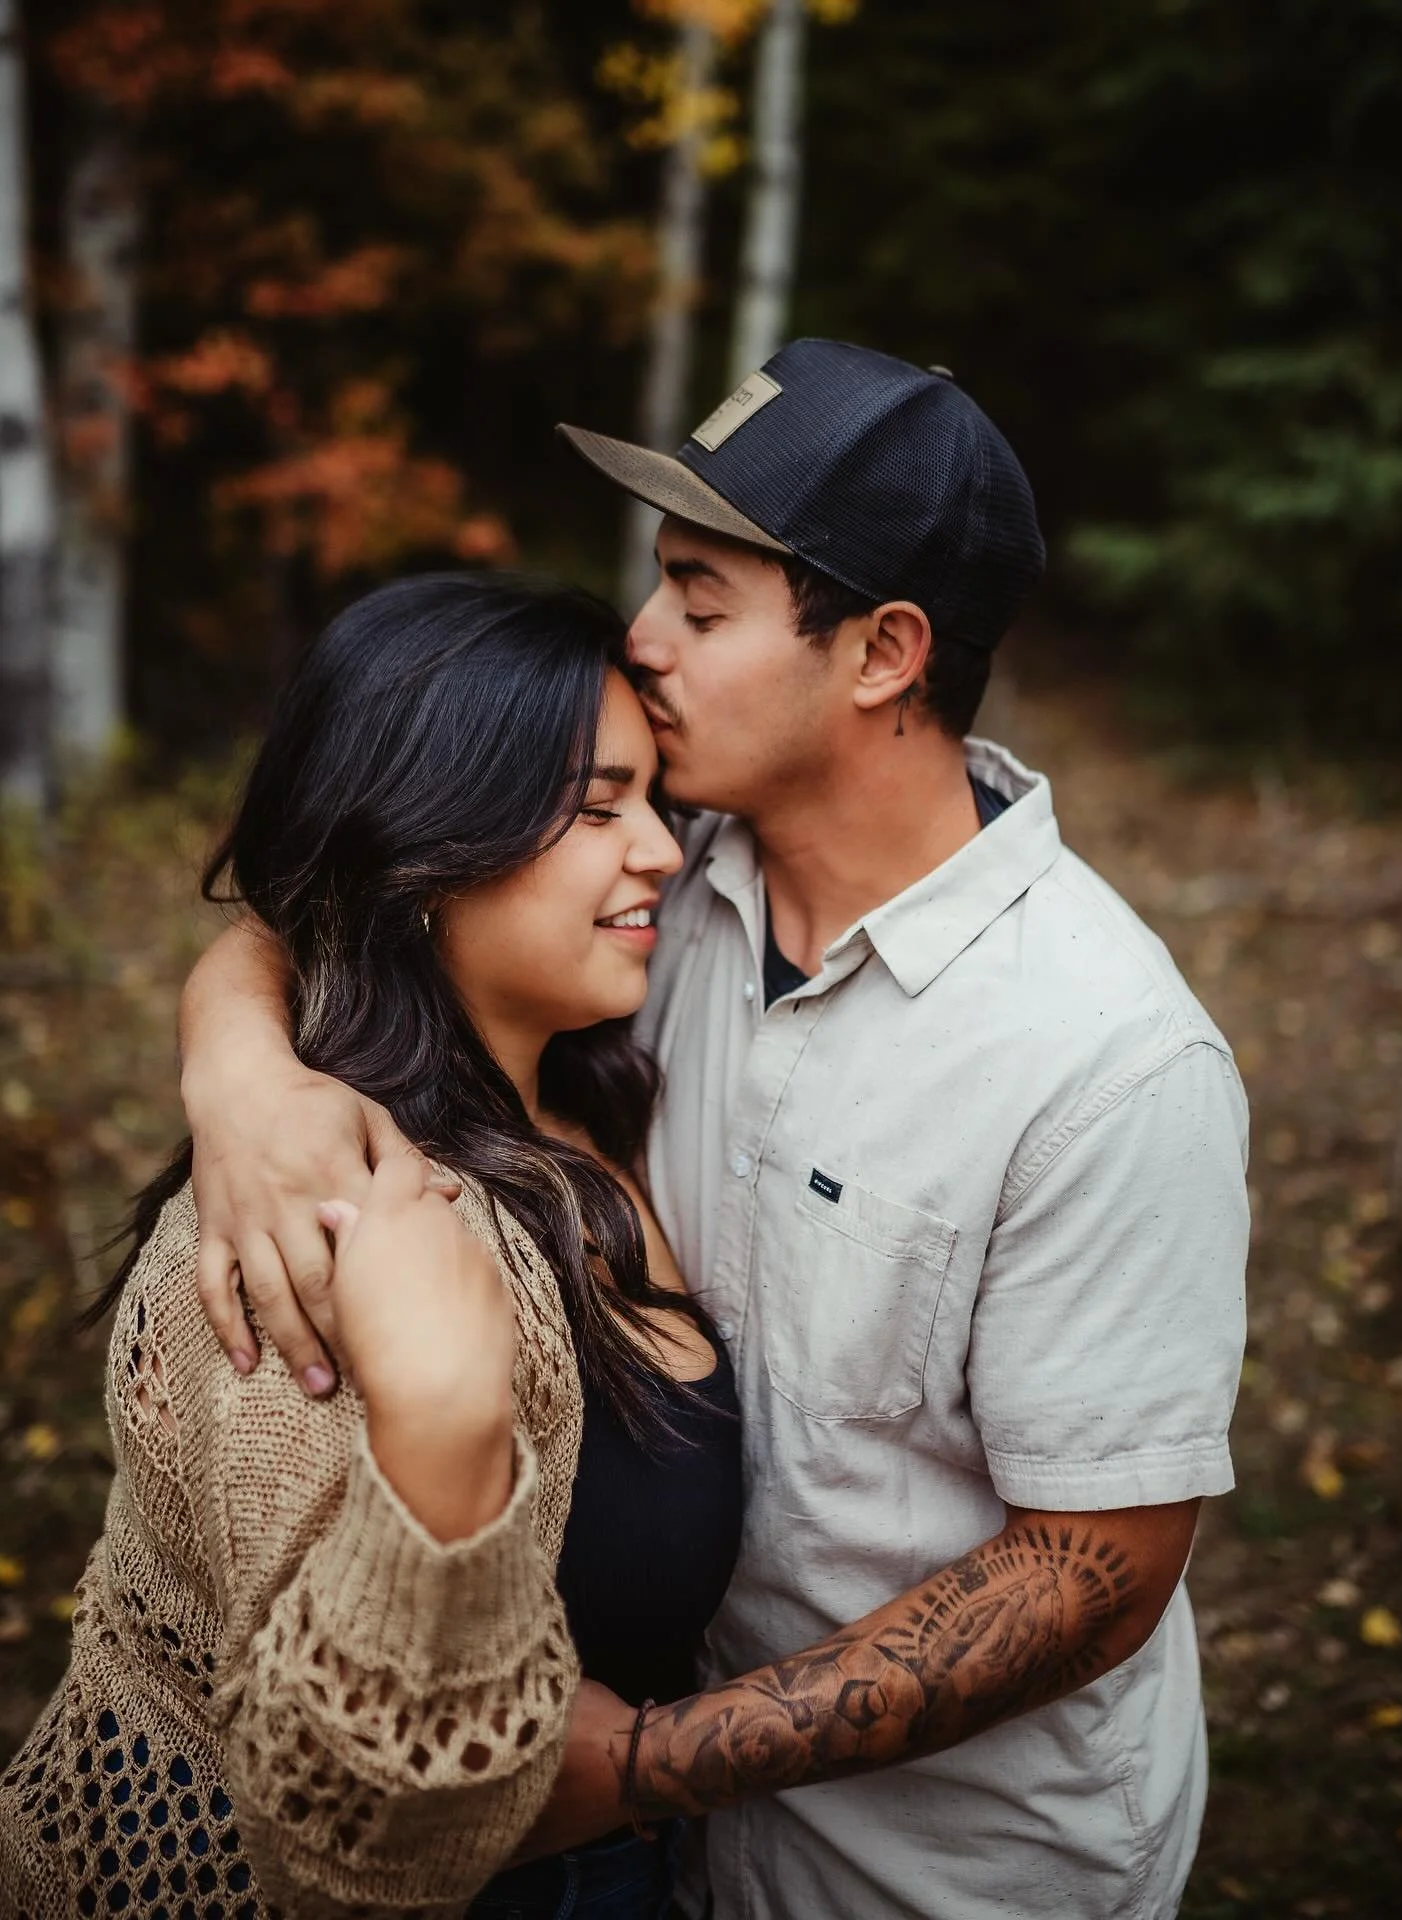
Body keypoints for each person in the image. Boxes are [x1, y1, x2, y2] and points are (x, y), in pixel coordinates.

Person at [175, 340, 1250, 1920]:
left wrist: (647, 1764)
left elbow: (1093, 1573)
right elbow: (364, 885)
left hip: (937, 1871)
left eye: (701, 596)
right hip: (647, 1849)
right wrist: (240, 1076)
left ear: (883, 652)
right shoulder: (655, 876)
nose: (644, 637)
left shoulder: (1106, 1057)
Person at [0, 575, 742, 1920]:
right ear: (429, 846)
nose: (664, 855)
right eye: (597, 808)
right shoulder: (303, 1243)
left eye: (657, 803)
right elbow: (345, 1847)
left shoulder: (598, 1088)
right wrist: (444, 1438)